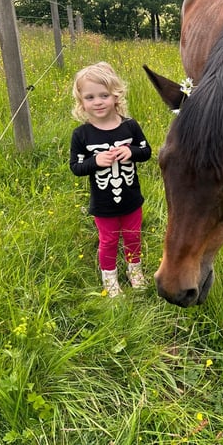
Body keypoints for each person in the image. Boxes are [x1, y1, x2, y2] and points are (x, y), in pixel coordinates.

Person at [69, 62, 152, 297]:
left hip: (131, 200)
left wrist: (131, 152)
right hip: (103, 205)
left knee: (133, 237)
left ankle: (134, 271)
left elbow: (146, 151)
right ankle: (110, 279)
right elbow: (76, 167)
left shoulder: (130, 126)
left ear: (116, 96)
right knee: (108, 241)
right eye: (90, 97)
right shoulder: (81, 135)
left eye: (104, 95)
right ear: (82, 102)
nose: (98, 101)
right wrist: (95, 162)